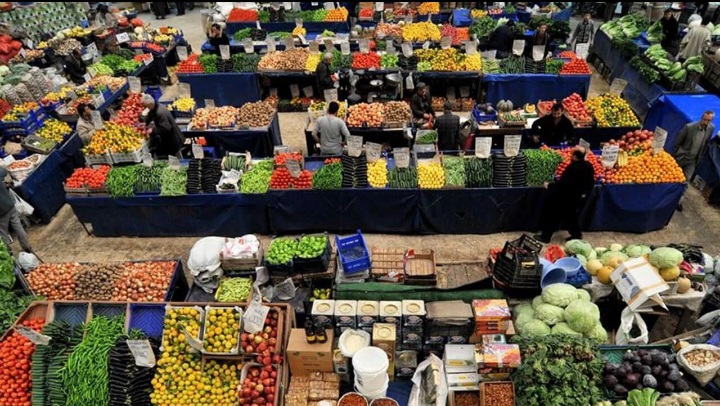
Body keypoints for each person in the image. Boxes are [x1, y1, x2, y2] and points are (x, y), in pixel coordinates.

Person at [535, 146, 595, 243]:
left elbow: (562, 185)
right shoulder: (588, 165)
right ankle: (576, 234)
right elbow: (591, 182)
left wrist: (549, 185)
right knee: (570, 216)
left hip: (565, 197)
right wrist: (584, 194)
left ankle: (545, 237)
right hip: (577, 197)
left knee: (553, 215)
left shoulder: (572, 168)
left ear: (575, 156)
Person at [673, 111, 715, 210]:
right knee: (673, 177)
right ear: (701, 118)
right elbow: (677, 142)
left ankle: (679, 201)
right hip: (681, 157)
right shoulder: (689, 127)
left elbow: (706, 143)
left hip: (693, 161)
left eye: (708, 120)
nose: (706, 122)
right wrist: (676, 155)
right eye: (704, 119)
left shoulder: (711, 128)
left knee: (686, 180)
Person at [0, 166, 32, 255]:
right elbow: (3, 170)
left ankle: (9, 253)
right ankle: (27, 247)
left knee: (3, 233)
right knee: (18, 226)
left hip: (1, 213)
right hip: (9, 204)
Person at [141, 94, 185, 159]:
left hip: (173, 140)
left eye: (146, 106)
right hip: (167, 139)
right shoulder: (155, 107)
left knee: (177, 158)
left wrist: (153, 130)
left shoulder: (160, 112)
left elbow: (166, 128)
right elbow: (151, 115)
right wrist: (145, 123)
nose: (146, 108)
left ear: (150, 104)